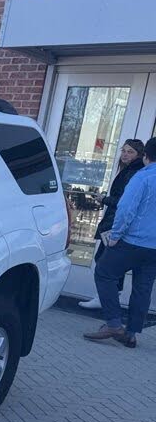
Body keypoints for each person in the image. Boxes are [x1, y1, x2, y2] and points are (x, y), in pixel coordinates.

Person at [84, 137, 156, 348]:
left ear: (145, 156)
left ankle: (114, 324)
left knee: (104, 272)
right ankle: (131, 334)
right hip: (154, 248)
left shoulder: (143, 178)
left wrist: (115, 235)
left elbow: (126, 209)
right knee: (143, 287)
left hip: (132, 241)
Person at [79, 139, 146, 308]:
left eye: (130, 152)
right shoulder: (129, 170)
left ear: (139, 154)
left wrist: (105, 199)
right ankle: (108, 298)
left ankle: (105, 299)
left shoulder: (134, 172)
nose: (125, 154)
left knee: (105, 260)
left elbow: (125, 201)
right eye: (123, 150)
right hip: (115, 220)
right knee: (108, 260)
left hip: (117, 222)